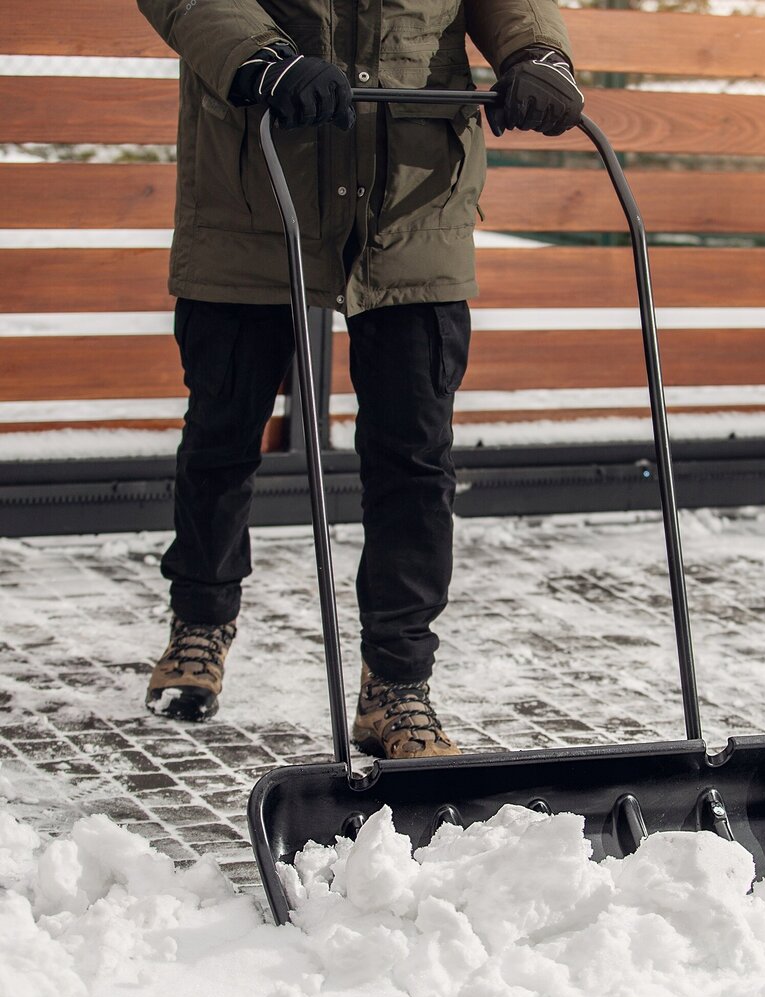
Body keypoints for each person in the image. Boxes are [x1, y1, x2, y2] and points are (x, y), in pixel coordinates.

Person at [136, 1, 583, 757]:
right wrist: (262, 57)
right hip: (257, 176)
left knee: (414, 456)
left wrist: (539, 53)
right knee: (223, 427)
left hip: (413, 197)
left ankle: (396, 687)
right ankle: (201, 622)